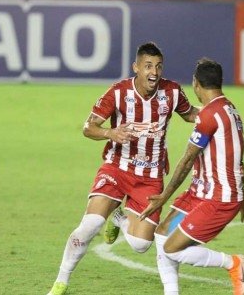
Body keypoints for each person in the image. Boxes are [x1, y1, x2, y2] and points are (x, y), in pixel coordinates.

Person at [46, 42, 199, 295]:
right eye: (148, 66)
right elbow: (88, 127)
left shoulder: (171, 92)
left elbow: (190, 113)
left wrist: (217, 113)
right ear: (136, 67)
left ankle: (119, 217)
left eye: (158, 66)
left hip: (150, 177)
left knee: (140, 244)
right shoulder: (118, 92)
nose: (154, 72)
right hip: (117, 169)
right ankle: (60, 282)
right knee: (90, 224)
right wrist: (109, 132)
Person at [139, 58, 244, 295]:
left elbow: (188, 159)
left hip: (218, 198)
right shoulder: (230, 109)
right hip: (201, 191)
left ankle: (233, 263)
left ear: (196, 84)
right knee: (162, 232)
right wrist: (243, 194)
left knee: (172, 248)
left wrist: (164, 196)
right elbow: (238, 152)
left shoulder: (209, 115)